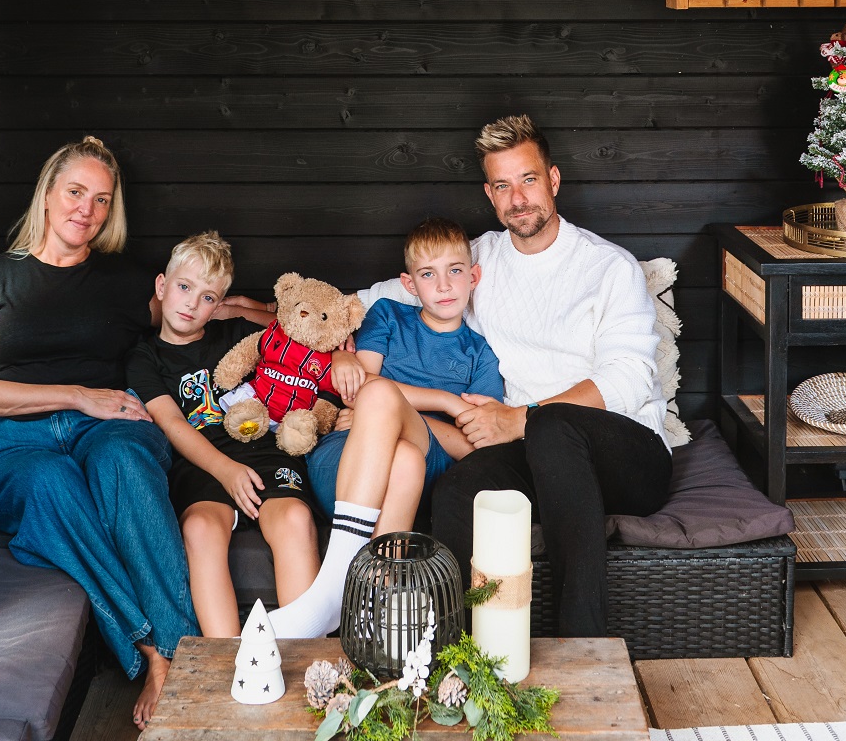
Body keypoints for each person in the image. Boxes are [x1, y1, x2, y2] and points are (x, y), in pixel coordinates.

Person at [357, 115, 673, 637]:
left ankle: (585, 648)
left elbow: (630, 378)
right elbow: (384, 296)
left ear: (552, 179)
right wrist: (312, 329)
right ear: (489, 193)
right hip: (534, 454)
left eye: (527, 180)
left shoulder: (607, 267)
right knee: (460, 487)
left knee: (553, 429)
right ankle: (451, 658)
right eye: (503, 186)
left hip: (627, 455)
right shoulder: (477, 259)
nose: (518, 198)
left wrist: (519, 419)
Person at [0, 136, 198, 730]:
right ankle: (153, 648)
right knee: (50, 481)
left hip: (107, 427)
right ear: (48, 192)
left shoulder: (125, 281)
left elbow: (203, 306)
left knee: (123, 463)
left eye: (101, 201)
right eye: (75, 192)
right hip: (13, 442)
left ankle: (180, 656)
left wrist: (294, 322)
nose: (85, 210)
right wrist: (75, 396)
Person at [267, 217, 503, 639]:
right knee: (404, 455)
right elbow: (358, 391)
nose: (444, 285)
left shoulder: (479, 354)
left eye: (455, 271)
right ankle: (373, 607)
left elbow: (477, 447)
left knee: (393, 422)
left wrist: (397, 413)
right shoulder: (389, 315)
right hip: (346, 458)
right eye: (428, 274)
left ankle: (337, 585)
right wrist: (447, 402)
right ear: (410, 284)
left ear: (474, 277)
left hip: (428, 463)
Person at [125, 231, 322, 638]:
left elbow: (301, 331)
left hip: (264, 449)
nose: (192, 304)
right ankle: (225, 661)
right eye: (184, 287)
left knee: (296, 518)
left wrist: (242, 309)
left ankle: (304, 663)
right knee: (199, 529)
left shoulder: (233, 334)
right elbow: (172, 423)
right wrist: (227, 471)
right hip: (202, 463)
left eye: (208, 297)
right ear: (162, 286)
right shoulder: (144, 356)